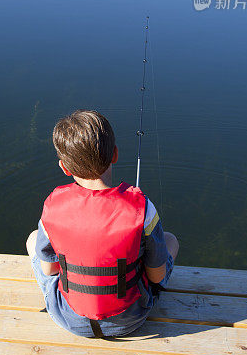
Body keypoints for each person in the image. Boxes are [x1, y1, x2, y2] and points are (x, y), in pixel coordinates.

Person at [26, 109, 179, 338]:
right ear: (115, 154)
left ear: (64, 168)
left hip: (69, 318)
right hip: (130, 319)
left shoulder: (52, 207)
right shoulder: (143, 209)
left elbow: (49, 269)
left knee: (32, 240)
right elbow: (156, 276)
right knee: (170, 240)